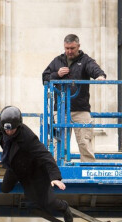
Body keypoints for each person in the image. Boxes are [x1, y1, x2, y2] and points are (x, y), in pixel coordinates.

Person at [0, 106, 74, 222]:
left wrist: (55, 177)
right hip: (14, 166)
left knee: (48, 201)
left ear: (18, 126)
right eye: (7, 130)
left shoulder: (28, 137)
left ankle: (65, 208)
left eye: (12, 130)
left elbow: (44, 155)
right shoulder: (2, 127)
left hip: (31, 169)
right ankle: (25, 185)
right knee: (5, 188)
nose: (9, 132)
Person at [42, 34, 106, 162]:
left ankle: (89, 172)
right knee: (59, 145)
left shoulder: (86, 60)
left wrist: (100, 76)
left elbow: (95, 69)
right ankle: (58, 171)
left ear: (78, 46)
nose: (69, 51)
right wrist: (57, 74)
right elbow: (45, 78)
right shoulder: (57, 61)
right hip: (61, 109)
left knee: (85, 143)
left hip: (80, 109)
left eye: (72, 48)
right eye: (67, 48)